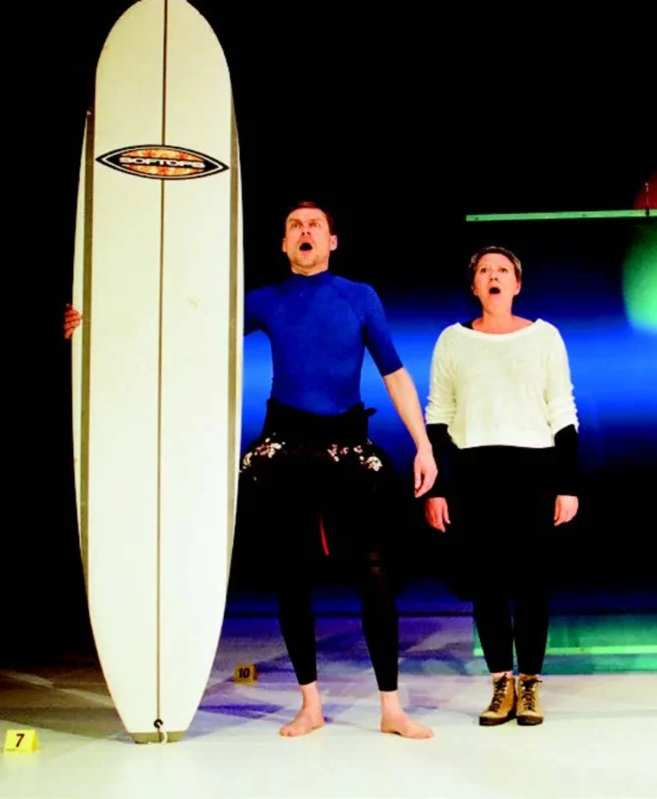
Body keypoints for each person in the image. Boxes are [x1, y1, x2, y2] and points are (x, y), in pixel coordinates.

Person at [65, 201, 437, 740]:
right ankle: (310, 704)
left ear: (332, 241)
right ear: (284, 246)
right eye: (294, 227)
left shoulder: (360, 297)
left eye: (314, 226)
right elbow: (181, 327)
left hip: (347, 444)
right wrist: (95, 324)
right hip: (284, 445)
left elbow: (396, 375)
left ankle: (391, 708)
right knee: (291, 575)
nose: (304, 232)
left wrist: (423, 445)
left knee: (376, 573)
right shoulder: (265, 300)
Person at [422, 245, 579, 726]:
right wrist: (437, 488)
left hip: (532, 468)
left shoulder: (544, 337)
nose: (494, 277)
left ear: (517, 283)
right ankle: (500, 686)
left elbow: (562, 409)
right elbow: (439, 414)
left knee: (532, 585)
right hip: (474, 471)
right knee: (486, 586)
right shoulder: (452, 340)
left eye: (503, 270)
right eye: (484, 271)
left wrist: (567, 483)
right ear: (474, 286)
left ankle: (530, 685)